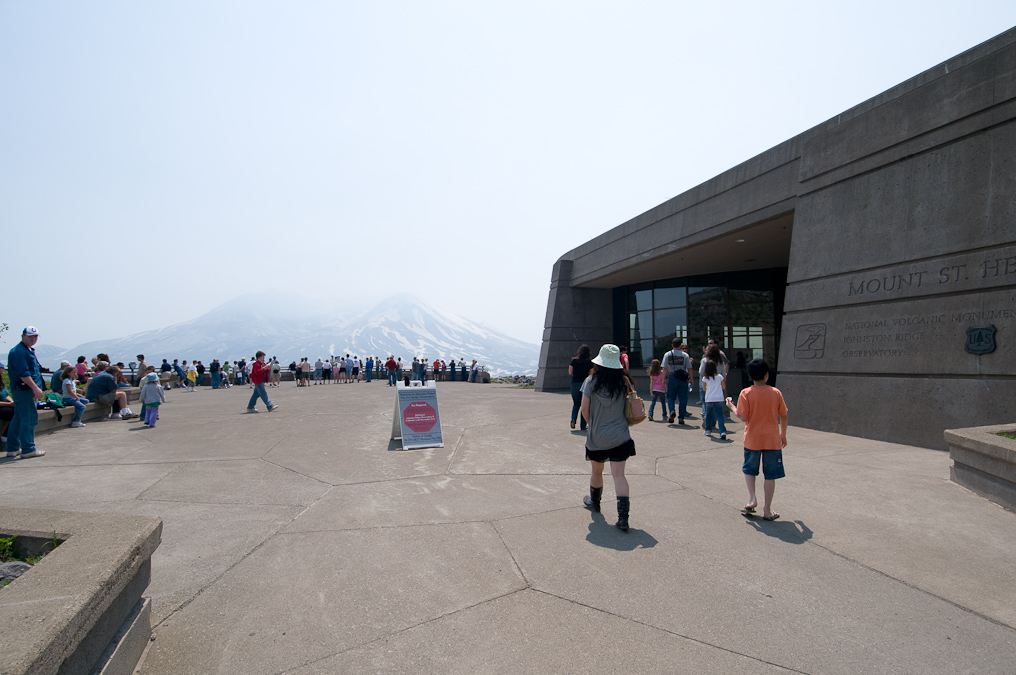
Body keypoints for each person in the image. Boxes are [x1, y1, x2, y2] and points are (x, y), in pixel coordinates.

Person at [580, 344, 636, 531]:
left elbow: (585, 410)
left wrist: (592, 425)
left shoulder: (591, 382)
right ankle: (623, 518)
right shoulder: (624, 382)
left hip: (597, 437)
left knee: (597, 471)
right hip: (620, 436)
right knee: (619, 475)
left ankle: (595, 502)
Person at [725, 359, 788, 521]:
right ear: (767, 375)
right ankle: (767, 510)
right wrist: (783, 434)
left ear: (750, 376)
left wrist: (731, 406)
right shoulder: (776, 393)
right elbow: (784, 415)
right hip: (772, 439)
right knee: (770, 475)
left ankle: (752, 498)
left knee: (750, 469)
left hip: (752, 438)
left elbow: (743, 416)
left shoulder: (746, 393)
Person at [6, 326, 47, 459]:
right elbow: (23, 373)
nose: (33, 339)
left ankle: (13, 448)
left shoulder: (25, 350)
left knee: (18, 419)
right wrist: (35, 387)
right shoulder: (20, 352)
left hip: (22, 390)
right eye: (30, 336)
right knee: (29, 419)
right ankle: (28, 448)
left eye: (35, 337)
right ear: (23, 336)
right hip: (25, 390)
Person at [662, 338, 691, 425]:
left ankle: (671, 411)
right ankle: (681, 417)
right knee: (683, 398)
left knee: (670, 397)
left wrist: (664, 379)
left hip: (672, 376)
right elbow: (689, 368)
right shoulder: (685, 355)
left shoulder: (667, 355)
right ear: (680, 345)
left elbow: (664, 368)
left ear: (672, 345)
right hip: (683, 378)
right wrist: (691, 379)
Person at [568, 345, 593, 430]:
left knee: (576, 403)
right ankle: (583, 425)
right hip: (585, 384)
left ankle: (573, 419)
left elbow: (570, 372)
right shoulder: (589, 362)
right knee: (584, 405)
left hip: (574, 384)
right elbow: (591, 374)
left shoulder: (574, 361)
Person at [701, 360, 727, 439]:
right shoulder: (719, 377)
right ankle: (722, 431)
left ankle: (708, 430)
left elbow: (704, 389)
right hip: (719, 398)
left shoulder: (705, 378)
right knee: (720, 415)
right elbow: (723, 387)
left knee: (708, 415)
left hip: (709, 398)